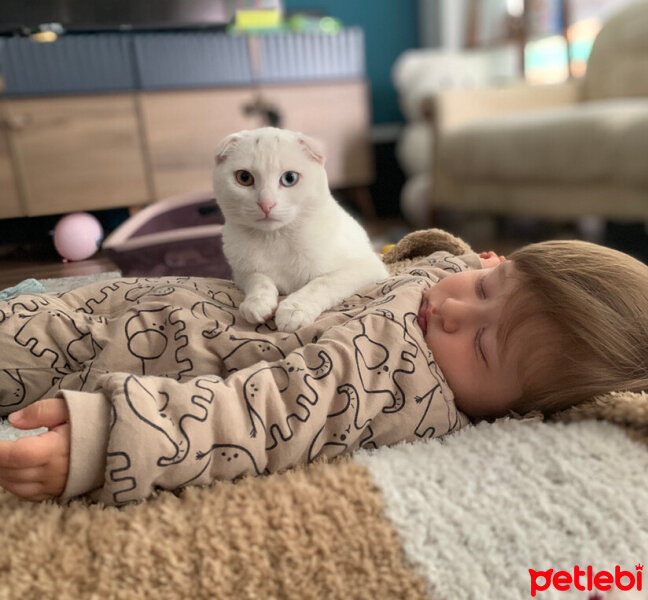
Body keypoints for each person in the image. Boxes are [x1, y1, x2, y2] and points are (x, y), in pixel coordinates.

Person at [0, 240, 647, 506]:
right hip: (152, 298)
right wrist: (451, 255)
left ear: (516, 413)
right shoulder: (439, 292)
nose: (452, 307)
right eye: (487, 280)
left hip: (109, 355)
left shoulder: (400, 380)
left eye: (482, 345)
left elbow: (268, 418)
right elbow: (425, 262)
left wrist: (115, 437)